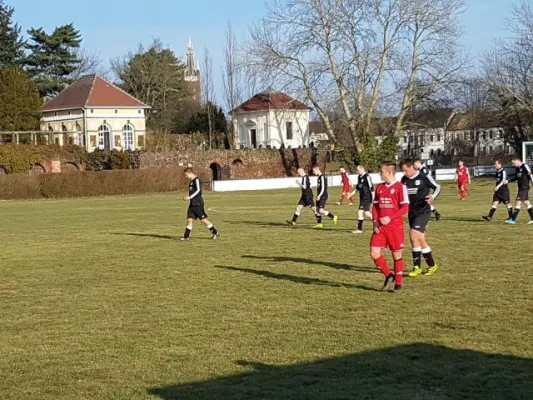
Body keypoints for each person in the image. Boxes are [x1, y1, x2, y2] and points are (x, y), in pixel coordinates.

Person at [370, 162, 409, 293]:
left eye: (381, 171)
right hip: (380, 227)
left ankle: (398, 284)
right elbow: (375, 206)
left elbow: (405, 208)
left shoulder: (400, 187)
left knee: (396, 255)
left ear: (389, 173)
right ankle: (388, 275)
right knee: (374, 253)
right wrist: (375, 221)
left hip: (395, 227)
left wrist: (390, 217)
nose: (379, 174)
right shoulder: (379, 187)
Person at [400, 159, 441, 278]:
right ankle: (432, 265)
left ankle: (416, 267)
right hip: (411, 212)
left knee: (413, 236)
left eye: (405, 170)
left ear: (412, 167)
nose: (404, 173)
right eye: (402, 171)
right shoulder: (404, 180)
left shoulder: (424, 177)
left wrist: (433, 196)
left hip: (423, 211)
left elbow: (438, 187)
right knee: (420, 239)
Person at [181, 168, 220, 241]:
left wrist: (189, 197)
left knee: (203, 220)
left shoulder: (197, 180)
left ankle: (215, 232)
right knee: (189, 220)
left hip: (198, 203)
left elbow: (198, 191)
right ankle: (186, 237)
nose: (185, 177)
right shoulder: (191, 181)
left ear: (190, 173)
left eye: (186, 175)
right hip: (192, 204)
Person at [505, 156, 533, 225]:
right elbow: (516, 177)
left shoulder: (524, 166)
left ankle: (513, 219)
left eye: (513, 163)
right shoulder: (517, 168)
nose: (513, 165)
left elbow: (530, 175)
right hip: (521, 188)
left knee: (518, 202)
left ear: (517, 161)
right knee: (527, 203)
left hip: (524, 187)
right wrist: (508, 181)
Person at [351, 164, 373, 234]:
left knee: (361, 212)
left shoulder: (367, 177)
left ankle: (359, 229)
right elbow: (358, 188)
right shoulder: (359, 177)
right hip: (362, 198)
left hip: (367, 197)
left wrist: (374, 198)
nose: (357, 171)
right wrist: (351, 194)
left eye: (358, 170)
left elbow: (371, 188)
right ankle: (360, 229)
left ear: (362, 169)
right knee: (364, 213)